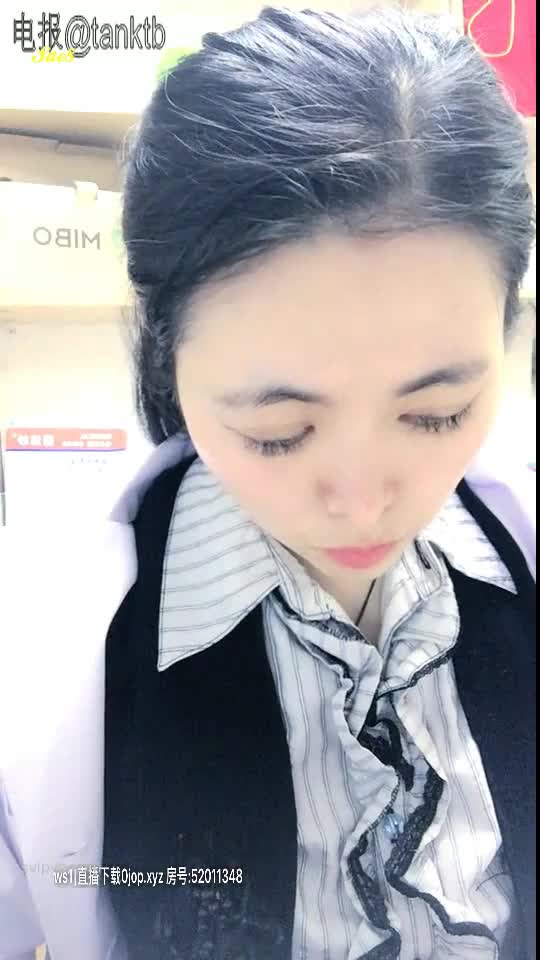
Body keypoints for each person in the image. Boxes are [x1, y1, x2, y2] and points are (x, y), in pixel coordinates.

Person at [0, 6, 536, 960]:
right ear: (167, 361)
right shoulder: (47, 645)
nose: (362, 502)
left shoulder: (513, 561)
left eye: (436, 413)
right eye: (278, 433)